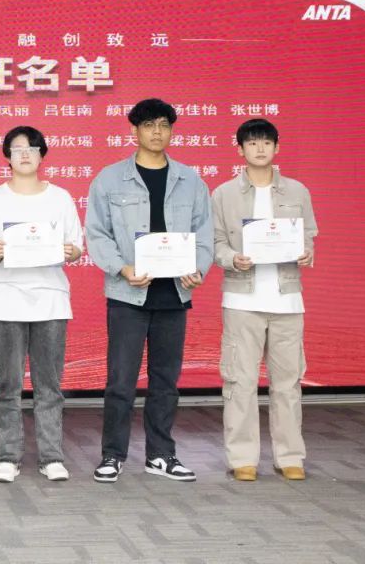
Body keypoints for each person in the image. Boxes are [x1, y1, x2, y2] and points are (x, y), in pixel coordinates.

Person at [85, 98, 212, 484]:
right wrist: (122, 268)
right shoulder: (109, 180)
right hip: (128, 294)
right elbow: (97, 234)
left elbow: (204, 233)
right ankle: (113, 455)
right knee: (121, 381)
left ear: (171, 131)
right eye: (149, 125)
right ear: (134, 131)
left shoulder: (190, 180)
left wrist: (198, 267)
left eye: (164, 125)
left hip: (174, 294)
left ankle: (161, 454)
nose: (157, 132)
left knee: (165, 382)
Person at [0, 126, 84, 483]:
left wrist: (70, 250)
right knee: (8, 385)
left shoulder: (60, 198)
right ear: (7, 156)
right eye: (17, 148)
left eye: (32, 148)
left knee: (50, 385)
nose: (24, 154)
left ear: (42, 155)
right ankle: (8, 455)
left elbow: (76, 247)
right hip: (5, 300)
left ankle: (52, 457)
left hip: (50, 300)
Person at [211, 118, 317, 482]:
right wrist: (232, 258)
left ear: (276, 148)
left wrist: (306, 252)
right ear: (239, 149)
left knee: (288, 383)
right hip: (242, 300)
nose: (260, 149)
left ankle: (290, 456)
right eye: (252, 143)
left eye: (266, 143)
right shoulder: (223, 194)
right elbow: (215, 242)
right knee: (239, 382)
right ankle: (242, 457)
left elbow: (308, 235)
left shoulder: (297, 191)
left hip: (288, 300)